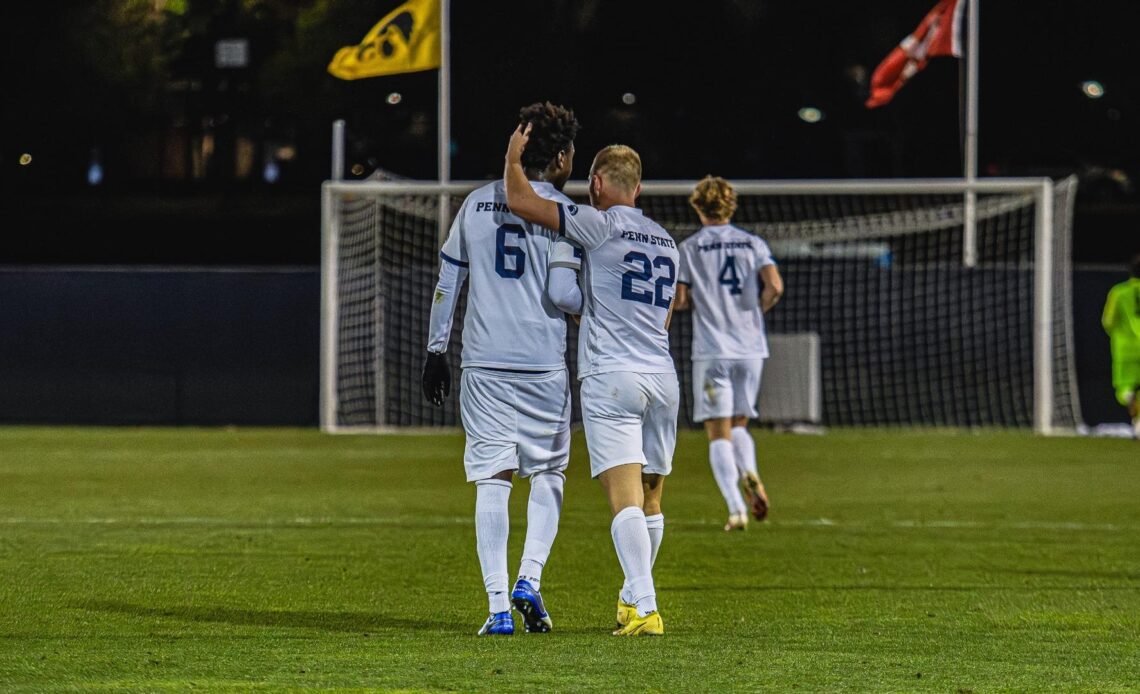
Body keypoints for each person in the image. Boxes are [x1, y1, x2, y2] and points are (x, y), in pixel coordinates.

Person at [505, 125, 679, 637]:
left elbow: (520, 202)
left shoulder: (598, 224)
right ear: (639, 189)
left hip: (612, 376)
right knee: (652, 496)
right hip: (663, 378)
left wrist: (514, 156)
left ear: (598, 185)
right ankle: (630, 598)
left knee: (622, 496)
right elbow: (665, 317)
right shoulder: (667, 241)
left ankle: (646, 607)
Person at [422, 102, 581, 636]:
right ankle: (528, 580)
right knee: (549, 475)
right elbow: (567, 292)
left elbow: (449, 284)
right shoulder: (563, 212)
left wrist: (434, 351)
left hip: (483, 364)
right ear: (560, 156)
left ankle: (496, 608)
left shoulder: (473, 205)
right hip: (542, 365)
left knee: (492, 479)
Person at [674, 176, 784, 531]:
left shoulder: (690, 248)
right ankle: (749, 472)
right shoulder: (753, 243)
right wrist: (753, 315)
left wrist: (698, 303)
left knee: (717, 431)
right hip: (750, 348)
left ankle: (736, 509)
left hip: (712, 349)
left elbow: (679, 299)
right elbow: (775, 286)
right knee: (739, 424)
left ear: (697, 206)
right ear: (730, 205)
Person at [1101, 254, 1140, 438]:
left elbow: (1108, 321)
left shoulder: (1118, 292)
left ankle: (1132, 405)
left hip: (1125, 348)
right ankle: (1138, 423)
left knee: (1125, 388)